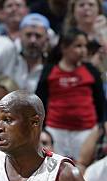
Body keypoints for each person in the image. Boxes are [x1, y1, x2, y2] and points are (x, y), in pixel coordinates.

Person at [36, 28, 105, 160]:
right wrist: (43, 128)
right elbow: (39, 100)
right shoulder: (50, 70)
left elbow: (100, 102)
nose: (83, 50)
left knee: (81, 168)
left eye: (85, 46)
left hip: (86, 130)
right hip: (55, 130)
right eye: (78, 46)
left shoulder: (91, 71)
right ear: (64, 48)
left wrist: (100, 127)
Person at [0, 13, 49, 103]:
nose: (32, 40)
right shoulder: (8, 49)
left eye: (38, 36)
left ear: (46, 39)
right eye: (28, 35)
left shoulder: (50, 63)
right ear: (20, 35)